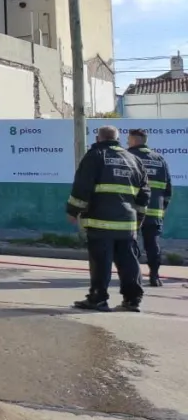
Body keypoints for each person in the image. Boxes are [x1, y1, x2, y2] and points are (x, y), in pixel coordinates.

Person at [66, 125, 150, 312]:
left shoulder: (95, 156)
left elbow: (82, 186)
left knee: (101, 262)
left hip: (100, 221)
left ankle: (98, 299)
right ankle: (132, 300)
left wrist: (73, 211)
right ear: (117, 138)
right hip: (127, 223)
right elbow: (144, 193)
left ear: (99, 138)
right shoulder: (133, 159)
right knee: (129, 261)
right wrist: (139, 218)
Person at [127, 128, 173, 287]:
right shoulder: (160, 159)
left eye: (128, 139)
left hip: (132, 210)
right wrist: (162, 208)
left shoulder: (128, 157)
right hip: (154, 211)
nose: (127, 142)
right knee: (152, 244)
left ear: (133, 140)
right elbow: (168, 190)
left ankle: (133, 277)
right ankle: (154, 276)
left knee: (129, 242)